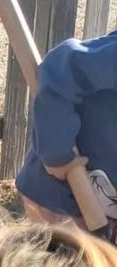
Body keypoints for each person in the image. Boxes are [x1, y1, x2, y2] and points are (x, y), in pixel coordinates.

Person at [16, 29, 117, 239]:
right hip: (59, 198)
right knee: (61, 266)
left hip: (104, 216)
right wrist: (57, 154)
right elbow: (62, 69)